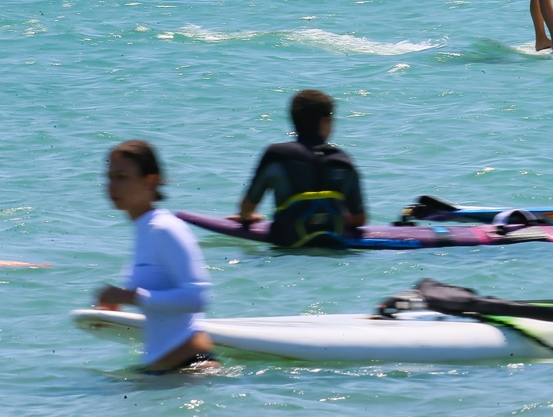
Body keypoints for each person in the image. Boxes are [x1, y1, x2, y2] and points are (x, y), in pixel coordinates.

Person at [97, 140, 218, 374]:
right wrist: (116, 304)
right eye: (109, 176)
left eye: (121, 177)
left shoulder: (166, 228)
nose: (111, 185)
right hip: (163, 371)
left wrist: (132, 296)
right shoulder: (144, 230)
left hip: (192, 368)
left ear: (149, 181)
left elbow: (198, 297)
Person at [235, 89, 366, 248]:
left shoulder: (276, 155)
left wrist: (247, 216)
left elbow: (248, 206)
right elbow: (360, 220)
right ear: (324, 121)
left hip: (288, 246)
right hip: (333, 246)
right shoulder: (343, 161)